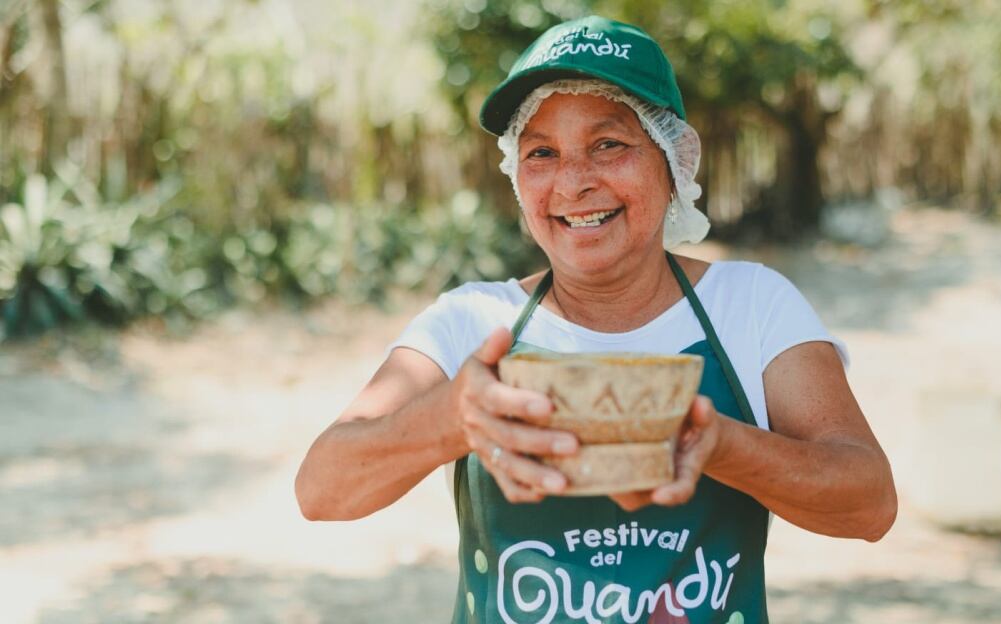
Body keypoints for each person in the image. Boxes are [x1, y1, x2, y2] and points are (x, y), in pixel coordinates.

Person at [295, 15, 896, 623]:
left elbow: (868, 504)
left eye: (609, 144)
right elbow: (321, 490)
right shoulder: (473, 320)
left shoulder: (752, 307)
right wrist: (451, 420)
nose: (574, 182)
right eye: (542, 153)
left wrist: (718, 445)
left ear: (672, 162)